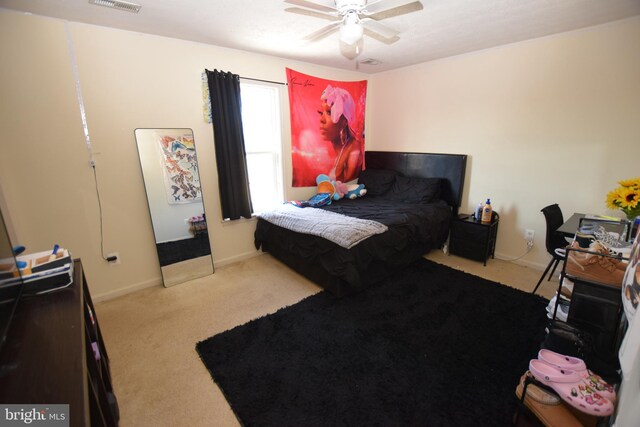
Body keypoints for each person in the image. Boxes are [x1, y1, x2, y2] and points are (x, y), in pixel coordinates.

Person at [318, 85, 363, 183]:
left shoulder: (353, 148)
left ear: (344, 121)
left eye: (329, 113)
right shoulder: (327, 149)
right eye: (321, 113)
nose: (322, 120)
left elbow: (347, 182)